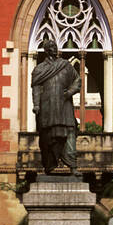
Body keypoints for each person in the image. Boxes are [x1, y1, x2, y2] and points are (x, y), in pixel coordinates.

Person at [31, 38, 79, 174]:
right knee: (47, 136)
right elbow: (36, 88)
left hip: (65, 105)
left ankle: (73, 166)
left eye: (55, 46)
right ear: (46, 50)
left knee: (70, 131)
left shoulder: (66, 65)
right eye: (51, 46)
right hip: (47, 107)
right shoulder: (39, 69)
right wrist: (36, 105)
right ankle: (49, 165)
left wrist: (69, 92)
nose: (54, 48)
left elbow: (77, 80)